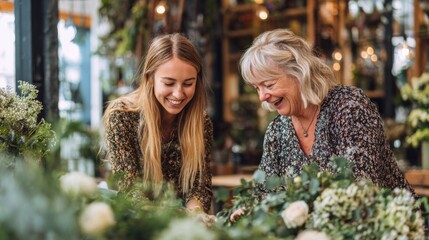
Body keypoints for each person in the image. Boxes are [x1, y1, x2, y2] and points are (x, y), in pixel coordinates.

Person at [230, 28, 415, 220]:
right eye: (257, 88)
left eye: (268, 85)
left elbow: (360, 187)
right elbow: (264, 191)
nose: (262, 97)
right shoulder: (277, 130)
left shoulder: (348, 106)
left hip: (388, 226)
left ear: (299, 73)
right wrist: (250, 210)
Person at [102, 33, 213, 214]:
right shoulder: (122, 116)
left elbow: (199, 187)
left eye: (188, 83)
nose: (178, 94)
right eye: (169, 83)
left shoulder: (201, 122)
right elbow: (130, 189)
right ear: (150, 78)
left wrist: (195, 217)